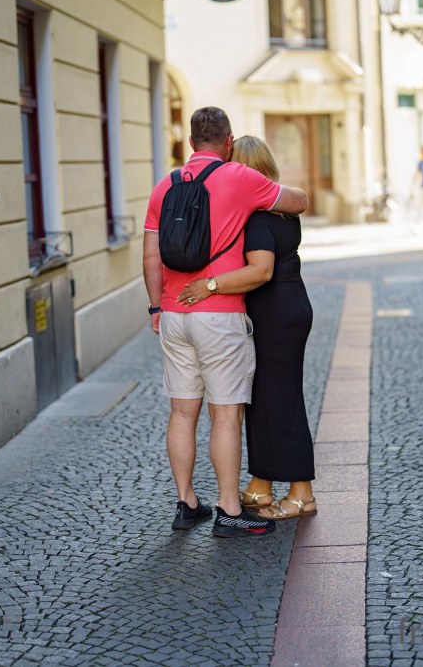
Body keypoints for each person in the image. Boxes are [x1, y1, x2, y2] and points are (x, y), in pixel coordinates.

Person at [143, 107, 309, 537]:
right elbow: (299, 202)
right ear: (229, 141)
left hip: (174, 312)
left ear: (190, 142)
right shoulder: (240, 176)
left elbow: (150, 255)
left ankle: (186, 503)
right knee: (226, 415)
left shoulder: (164, 186)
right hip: (218, 313)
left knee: (182, 412)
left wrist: (156, 308)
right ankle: (230, 510)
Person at [176, 136, 317, 521]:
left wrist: (209, 285)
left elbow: (261, 271)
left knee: (282, 401)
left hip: (275, 314)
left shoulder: (257, 216)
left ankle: (302, 493)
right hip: (286, 308)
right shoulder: (281, 210)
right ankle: (261, 484)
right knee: (263, 399)